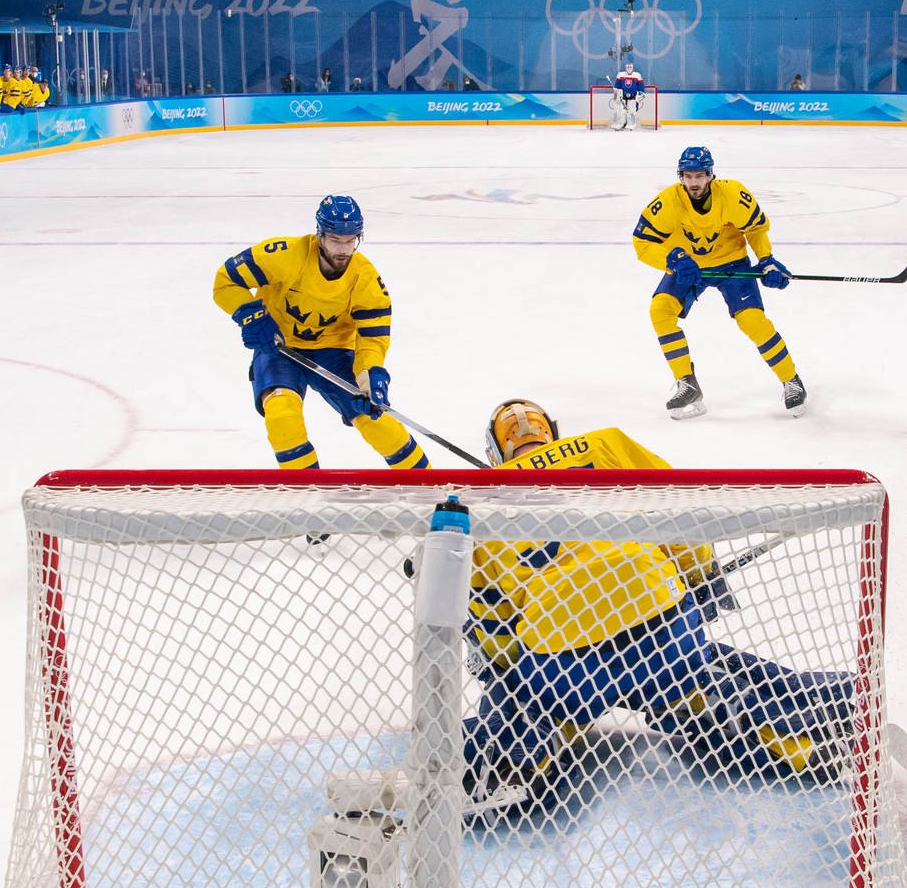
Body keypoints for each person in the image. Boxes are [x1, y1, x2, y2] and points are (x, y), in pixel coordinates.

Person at [455, 401, 855, 811]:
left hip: (565, 662)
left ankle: (515, 760)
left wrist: (507, 670)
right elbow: (680, 510)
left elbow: (489, 611)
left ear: (495, 451)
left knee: (521, 696)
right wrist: (699, 581)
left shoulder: (480, 498)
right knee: (703, 677)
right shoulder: (604, 443)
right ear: (551, 432)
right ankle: (805, 725)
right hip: (663, 630)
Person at [211, 195, 430, 471]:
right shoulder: (285, 255)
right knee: (281, 416)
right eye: (336, 240)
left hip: (334, 351)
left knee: (377, 421)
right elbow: (225, 281)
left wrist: (370, 376)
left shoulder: (366, 279)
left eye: (351, 240)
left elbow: (372, 339)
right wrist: (250, 315)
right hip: (280, 348)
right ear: (320, 235)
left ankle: (429, 487)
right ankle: (308, 496)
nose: (344, 249)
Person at [632, 146, 806, 420]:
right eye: (688, 176)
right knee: (660, 310)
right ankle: (687, 383)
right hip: (690, 268)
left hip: (732, 265)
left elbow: (756, 229)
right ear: (681, 177)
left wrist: (767, 260)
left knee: (752, 321)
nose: (694, 182)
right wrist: (672, 259)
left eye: (699, 175)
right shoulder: (667, 202)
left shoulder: (733, 194)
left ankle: (791, 380)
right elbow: (641, 244)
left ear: (711, 175)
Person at [610, 62, 647, 130]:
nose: (629, 68)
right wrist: (616, 94)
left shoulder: (637, 75)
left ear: (632, 67)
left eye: (630, 67)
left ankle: (631, 124)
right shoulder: (620, 75)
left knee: (632, 110)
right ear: (625, 67)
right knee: (621, 110)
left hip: (633, 96)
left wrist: (641, 94)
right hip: (622, 96)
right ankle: (621, 123)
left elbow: (641, 87)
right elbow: (617, 86)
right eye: (628, 67)